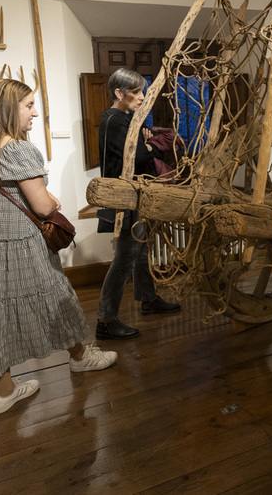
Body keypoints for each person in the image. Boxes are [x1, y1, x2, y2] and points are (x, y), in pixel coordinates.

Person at [0, 79, 117, 415]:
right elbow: (42, 207)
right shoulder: (16, 149)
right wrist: (53, 198)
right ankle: (81, 357)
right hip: (23, 244)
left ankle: (4, 391)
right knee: (58, 298)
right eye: (28, 105)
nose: (35, 112)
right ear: (7, 108)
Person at [95, 69, 181, 342]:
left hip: (134, 195)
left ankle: (148, 298)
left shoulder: (121, 119)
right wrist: (153, 147)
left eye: (143, 91)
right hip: (125, 197)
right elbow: (141, 157)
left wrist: (146, 142)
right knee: (124, 258)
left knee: (141, 250)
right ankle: (105, 319)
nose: (143, 97)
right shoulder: (117, 120)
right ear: (119, 94)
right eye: (136, 93)